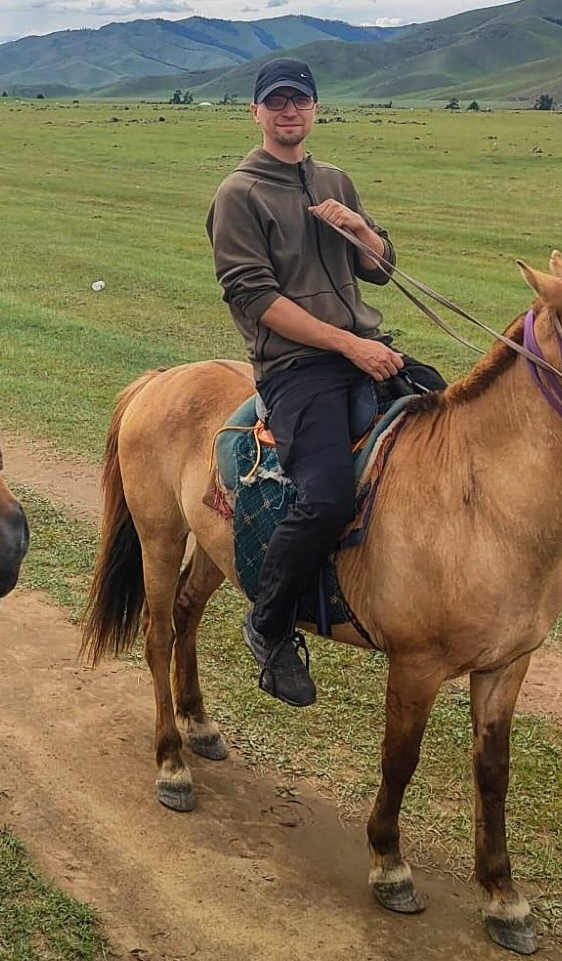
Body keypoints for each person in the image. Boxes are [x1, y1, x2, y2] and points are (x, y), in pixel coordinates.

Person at [205, 57, 403, 708]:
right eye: (277, 102)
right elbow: (255, 298)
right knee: (326, 497)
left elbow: (380, 269)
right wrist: (350, 345)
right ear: (255, 112)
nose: (289, 111)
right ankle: (268, 625)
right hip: (296, 370)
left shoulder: (334, 180)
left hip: (363, 349)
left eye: (301, 101)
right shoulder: (240, 194)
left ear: (316, 109)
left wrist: (360, 229)